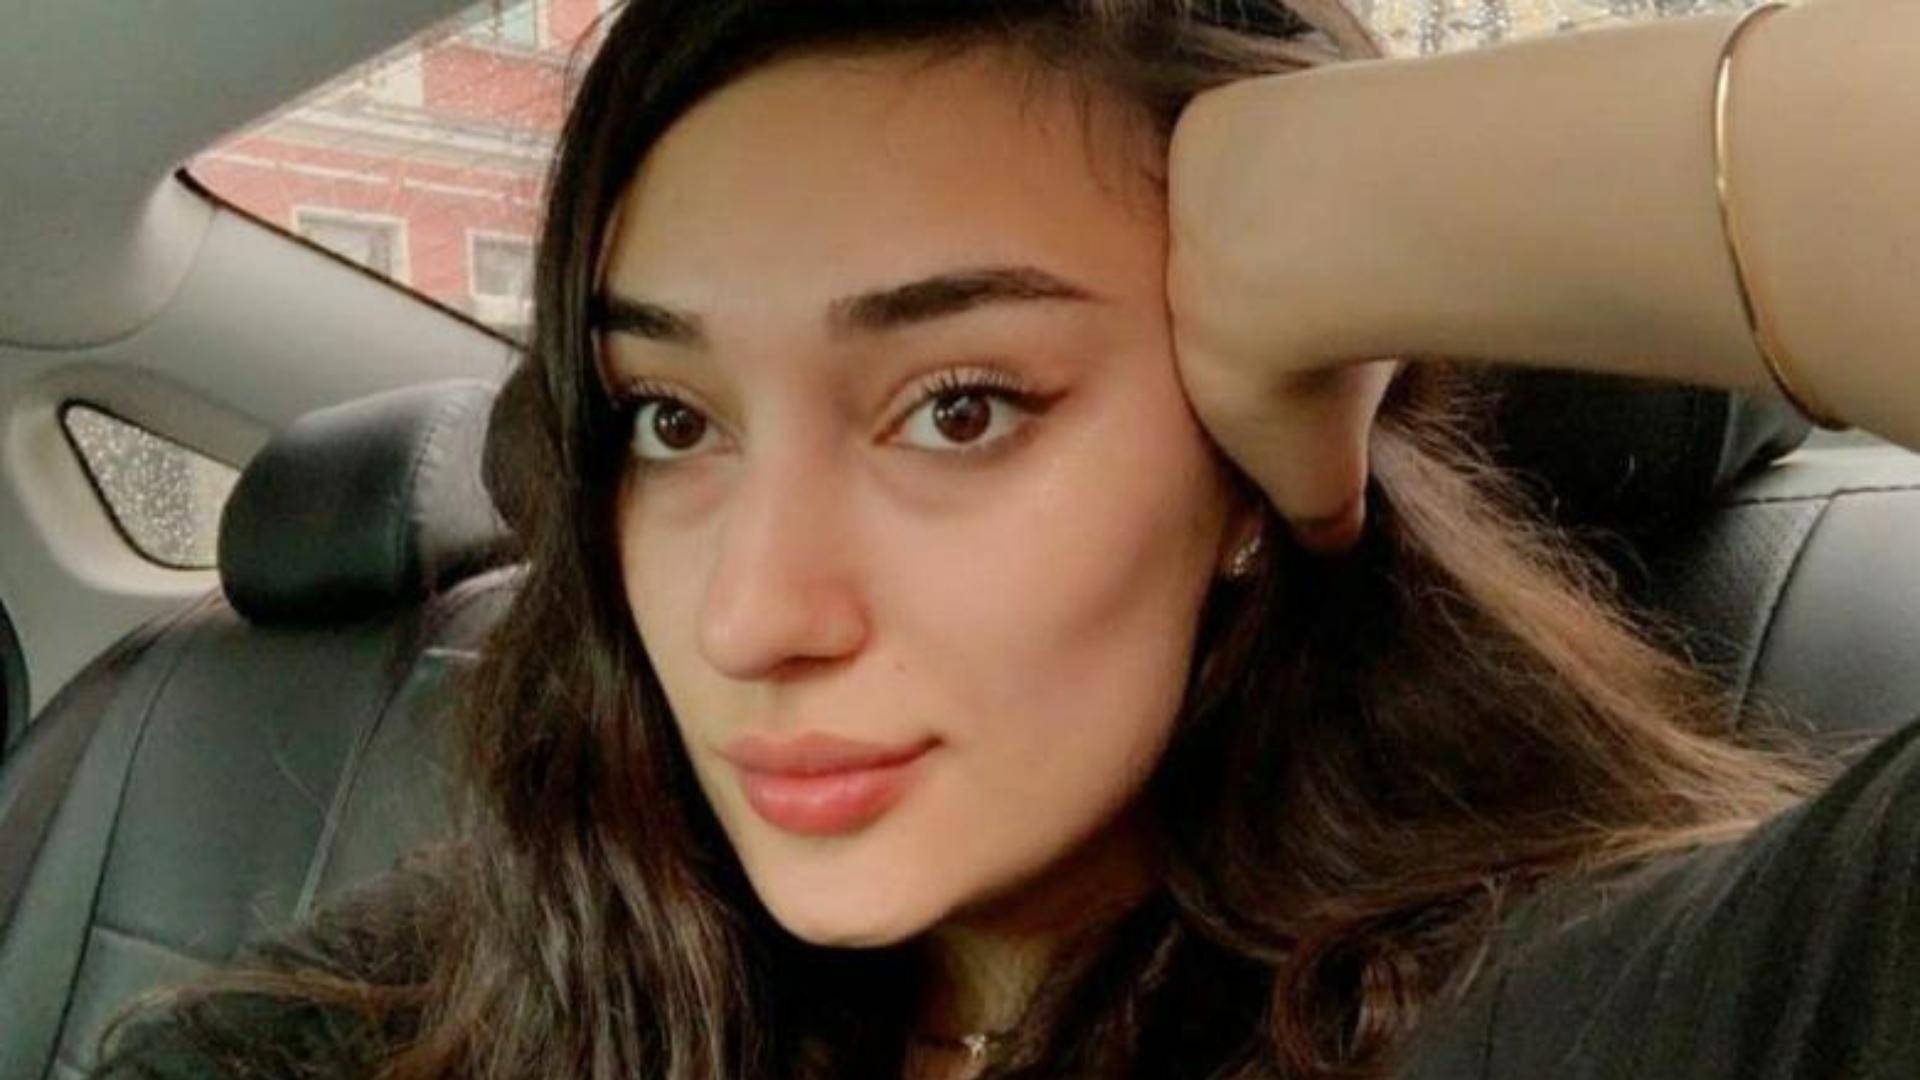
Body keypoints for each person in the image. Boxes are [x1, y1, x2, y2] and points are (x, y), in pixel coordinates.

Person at [93, 1, 1920, 1077]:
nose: (751, 616)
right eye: (673, 419)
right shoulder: (497, 974)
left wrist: (1335, 192)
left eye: (958, 407)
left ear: (1244, 473)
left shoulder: (1596, 1010)